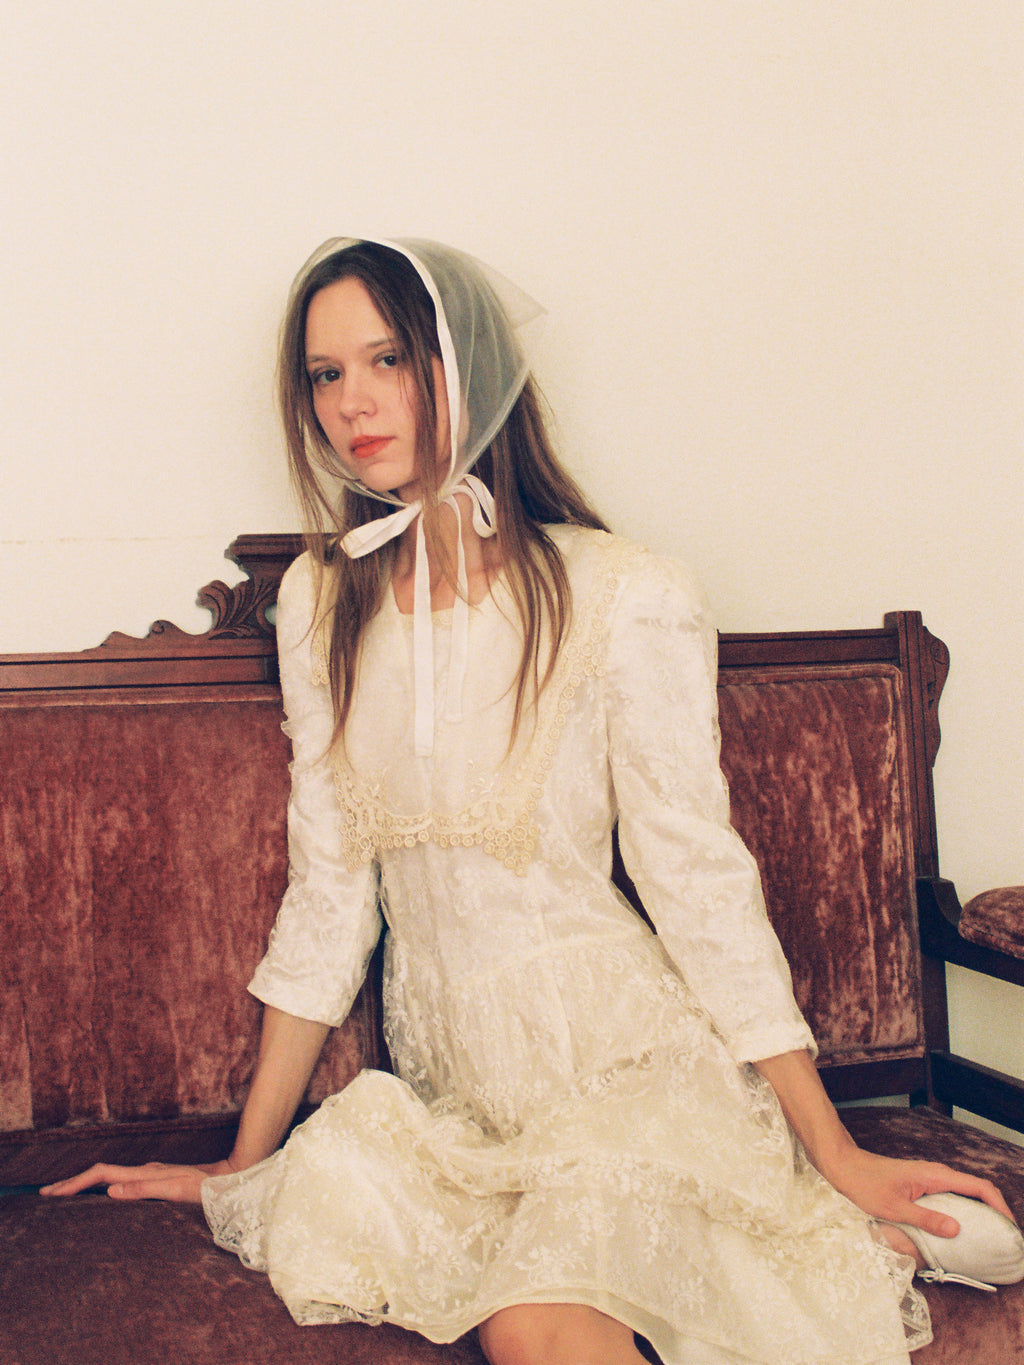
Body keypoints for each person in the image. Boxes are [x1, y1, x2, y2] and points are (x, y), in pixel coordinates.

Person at [43, 237, 1022, 1365]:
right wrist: (241, 1163)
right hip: (462, 1110)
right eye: (324, 374)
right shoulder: (320, 604)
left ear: (465, 370)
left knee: (536, 1325)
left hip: (623, 1066)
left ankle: (823, 1218)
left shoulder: (622, 592)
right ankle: (823, 1243)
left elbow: (695, 880)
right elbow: (328, 900)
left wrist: (832, 1147)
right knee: (489, 1269)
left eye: (387, 360)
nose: (352, 403)